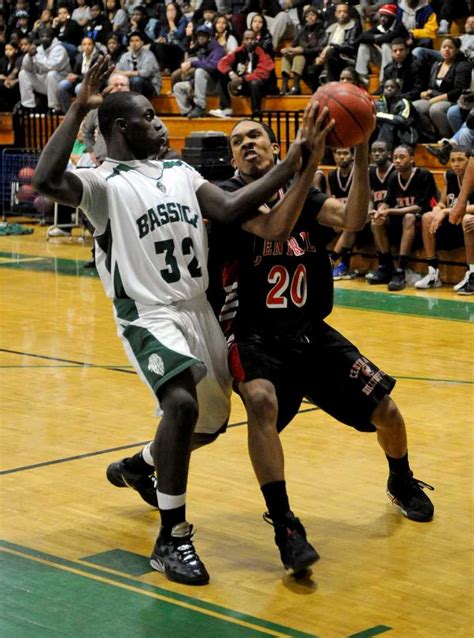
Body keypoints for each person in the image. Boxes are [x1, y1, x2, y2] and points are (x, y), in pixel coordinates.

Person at [33, 56, 325, 585]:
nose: (161, 123)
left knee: (207, 426)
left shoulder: (182, 172)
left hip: (197, 310)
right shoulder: (102, 185)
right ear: (122, 127)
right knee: (182, 402)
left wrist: (295, 161)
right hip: (148, 313)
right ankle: (172, 538)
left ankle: (142, 465)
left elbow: (234, 207)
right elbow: (48, 179)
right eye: (150, 116)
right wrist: (79, 106)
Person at [108, 115, 435, 578]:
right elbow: (276, 229)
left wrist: (361, 151)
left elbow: (354, 218)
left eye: (254, 136)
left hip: (308, 330)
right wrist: (305, 166)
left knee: (388, 412)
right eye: (237, 141)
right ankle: (285, 525)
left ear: (274, 143)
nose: (246, 145)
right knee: (256, 404)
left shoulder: (303, 190)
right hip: (249, 332)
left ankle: (400, 480)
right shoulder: (227, 199)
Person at [368, 144, 438, 291]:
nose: (397, 161)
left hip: (422, 223)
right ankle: (386, 267)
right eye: (395, 158)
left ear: (412, 159)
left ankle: (400, 270)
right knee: (376, 222)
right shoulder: (394, 177)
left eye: (402, 157)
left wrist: (390, 211)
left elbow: (419, 207)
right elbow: (387, 202)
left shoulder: (424, 175)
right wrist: (379, 211)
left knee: (408, 217)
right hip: (399, 222)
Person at [415, 146, 474, 292]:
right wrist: (437, 210)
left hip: (468, 226)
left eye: (460, 160)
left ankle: (472, 273)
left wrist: (447, 211)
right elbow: (442, 202)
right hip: (453, 224)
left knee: (467, 219)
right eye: (452, 160)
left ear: (470, 161)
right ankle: (432, 272)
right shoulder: (449, 176)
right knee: (427, 217)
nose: (455, 164)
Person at [413, 37, 471, 142]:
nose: (446, 50)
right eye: (444, 47)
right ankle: (430, 134)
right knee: (414, 106)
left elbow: (458, 91)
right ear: (440, 50)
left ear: (457, 50)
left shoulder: (462, 65)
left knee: (436, 109)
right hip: (435, 97)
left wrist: (435, 99)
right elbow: (431, 86)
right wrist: (425, 92)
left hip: (453, 100)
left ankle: (446, 137)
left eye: (450, 47)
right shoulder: (436, 64)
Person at [217, 29, 277, 115]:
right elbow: (222, 63)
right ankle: (226, 108)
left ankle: (256, 111)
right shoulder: (238, 51)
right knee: (222, 74)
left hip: (262, 86)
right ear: (243, 41)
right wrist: (231, 73)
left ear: (256, 40)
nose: (249, 42)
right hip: (243, 84)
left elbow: (262, 72)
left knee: (254, 83)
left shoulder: (262, 52)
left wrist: (243, 79)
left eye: (252, 39)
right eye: (247, 39)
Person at [172, 24, 224, 118]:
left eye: (204, 35)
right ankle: (188, 112)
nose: (201, 38)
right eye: (199, 36)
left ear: (209, 37)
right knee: (178, 87)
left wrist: (193, 63)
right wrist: (192, 84)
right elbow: (187, 50)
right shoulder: (202, 49)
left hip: (216, 85)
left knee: (200, 70)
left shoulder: (218, 50)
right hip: (203, 84)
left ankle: (200, 107)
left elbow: (213, 67)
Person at [18, 26, 71, 113]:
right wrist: (29, 56)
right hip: (45, 82)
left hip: (61, 80)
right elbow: (26, 67)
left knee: (51, 74)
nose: (44, 39)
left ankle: (54, 107)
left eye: (47, 36)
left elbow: (51, 67)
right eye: (42, 37)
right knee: (23, 73)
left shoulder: (60, 49)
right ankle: (28, 106)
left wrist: (36, 55)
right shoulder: (39, 49)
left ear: (52, 37)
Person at [355, 3, 408, 85]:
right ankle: (362, 78)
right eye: (381, 16)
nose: (382, 19)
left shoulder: (399, 27)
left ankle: (383, 82)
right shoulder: (381, 26)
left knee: (385, 45)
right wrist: (377, 37)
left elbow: (387, 38)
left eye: (386, 16)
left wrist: (375, 38)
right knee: (364, 46)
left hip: (400, 62)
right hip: (384, 60)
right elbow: (362, 37)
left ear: (392, 18)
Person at [327, 147, 355, 279]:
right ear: (334, 156)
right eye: (338, 153)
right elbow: (330, 201)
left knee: (350, 223)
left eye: (345, 153)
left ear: (353, 156)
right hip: (341, 218)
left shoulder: (359, 173)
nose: (342, 157)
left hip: (361, 221)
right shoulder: (332, 176)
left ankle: (335, 260)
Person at [116, 31, 162, 98]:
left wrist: (127, 73)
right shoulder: (125, 56)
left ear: (142, 43)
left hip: (151, 86)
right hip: (131, 82)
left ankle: (137, 105)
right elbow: (117, 71)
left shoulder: (149, 55)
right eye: (132, 41)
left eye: (137, 41)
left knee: (136, 80)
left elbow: (146, 73)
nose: (134, 43)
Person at [377, 37, 424, 102]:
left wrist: (398, 98)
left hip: (412, 100)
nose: (398, 53)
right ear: (391, 53)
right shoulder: (388, 68)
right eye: (395, 51)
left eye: (401, 50)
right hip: (394, 100)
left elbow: (418, 91)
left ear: (407, 51)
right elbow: (383, 88)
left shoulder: (417, 66)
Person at [375, 78, 419, 147]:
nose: (389, 89)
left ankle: (384, 150)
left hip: (405, 133)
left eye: (392, 87)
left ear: (398, 90)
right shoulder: (379, 103)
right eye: (386, 87)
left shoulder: (404, 102)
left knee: (387, 125)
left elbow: (402, 120)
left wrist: (380, 115)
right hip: (386, 132)